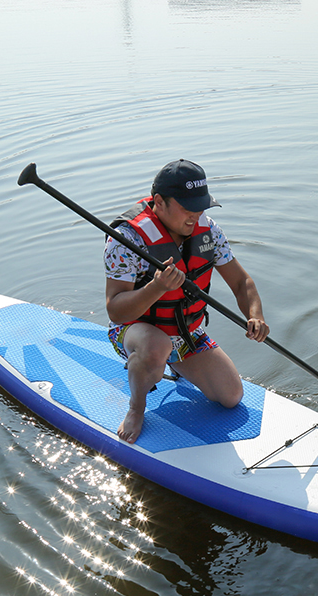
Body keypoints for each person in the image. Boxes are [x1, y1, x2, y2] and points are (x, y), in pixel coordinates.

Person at [105, 159, 269, 444]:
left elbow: (242, 283)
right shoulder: (126, 239)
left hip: (185, 332)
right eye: (187, 208)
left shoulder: (209, 231)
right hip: (134, 330)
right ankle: (137, 406)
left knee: (231, 396)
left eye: (200, 206)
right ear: (159, 201)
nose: (196, 215)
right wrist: (157, 287)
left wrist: (255, 315)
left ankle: (172, 363)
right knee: (156, 346)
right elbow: (116, 310)